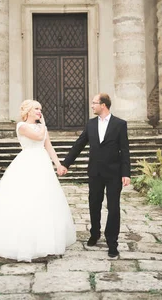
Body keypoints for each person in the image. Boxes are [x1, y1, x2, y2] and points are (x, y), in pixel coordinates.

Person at [0, 100, 76, 262]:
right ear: (28, 111)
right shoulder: (21, 126)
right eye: (36, 109)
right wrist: (44, 126)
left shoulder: (41, 128)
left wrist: (59, 164)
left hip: (42, 164)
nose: (40, 111)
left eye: (41, 108)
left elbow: (49, 146)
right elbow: (39, 136)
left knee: (44, 199)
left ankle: (44, 239)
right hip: (27, 162)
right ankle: (18, 240)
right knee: (24, 198)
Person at [58, 93, 131, 258]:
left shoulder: (120, 124)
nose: (92, 106)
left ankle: (112, 242)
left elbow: (125, 150)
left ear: (103, 105)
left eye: (94, 103)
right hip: (95, 172)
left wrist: (126, 173)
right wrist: (65, 164)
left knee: (113, 208)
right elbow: (79, 144)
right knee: (94, 204)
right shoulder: (90, 124)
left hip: (114, 173)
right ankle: (95, 233)